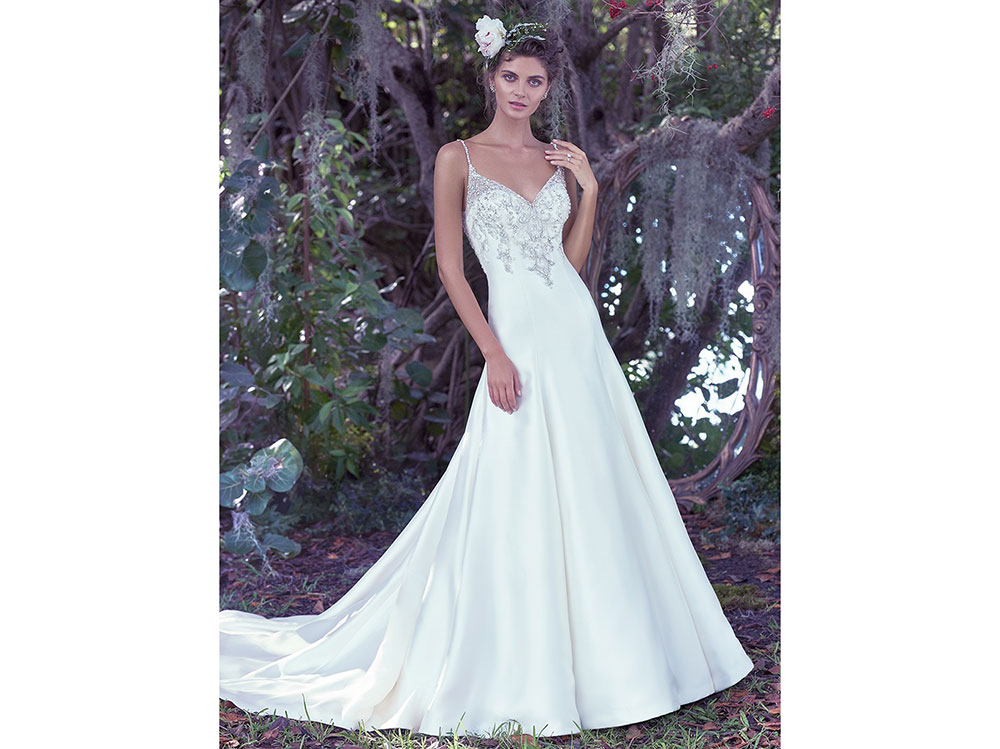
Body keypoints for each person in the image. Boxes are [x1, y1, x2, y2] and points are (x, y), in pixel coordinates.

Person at [219, 14, 754, 739]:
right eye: (511, 77)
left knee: (596, 483)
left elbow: (567, 268)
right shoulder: (458, 158)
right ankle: (523, 655)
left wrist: (589, 192)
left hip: (575, 338)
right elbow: (451, 267)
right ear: (490, 78)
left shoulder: (557, 160)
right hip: (516, 342)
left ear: (548, 88)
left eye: (536, 81)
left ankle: (619, 660)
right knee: (516, 482)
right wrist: (494, 353)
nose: (522, 91)